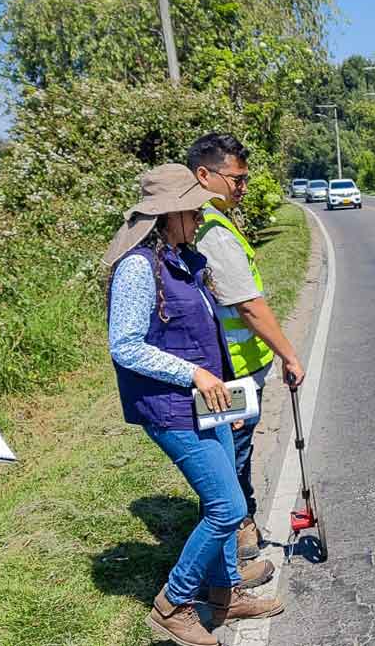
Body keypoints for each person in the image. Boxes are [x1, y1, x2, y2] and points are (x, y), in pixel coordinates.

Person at [104, 163, 284, 646]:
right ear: (168, 216)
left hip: (209, 402)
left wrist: (225, 388)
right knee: (227, 507)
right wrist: (195, 374)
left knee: (224, 497)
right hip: (172, 408)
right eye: (192, 210)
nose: (200, 217)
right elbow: (125, 346)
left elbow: (205, 329)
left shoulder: (183, 258)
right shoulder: (139, 268)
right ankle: (173, 603)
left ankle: (225, 595)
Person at [186, 133, 306, 562]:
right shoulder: (212, 230)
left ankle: (239, 525)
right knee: (231, 456)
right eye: (236, 179)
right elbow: (250, 306)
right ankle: (233, 541)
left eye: (245, 178)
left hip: (233, 363)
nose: (243, 187)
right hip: (231, 368)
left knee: (233, 451)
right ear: (204, 175)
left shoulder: (211, 219)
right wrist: (289, 354)